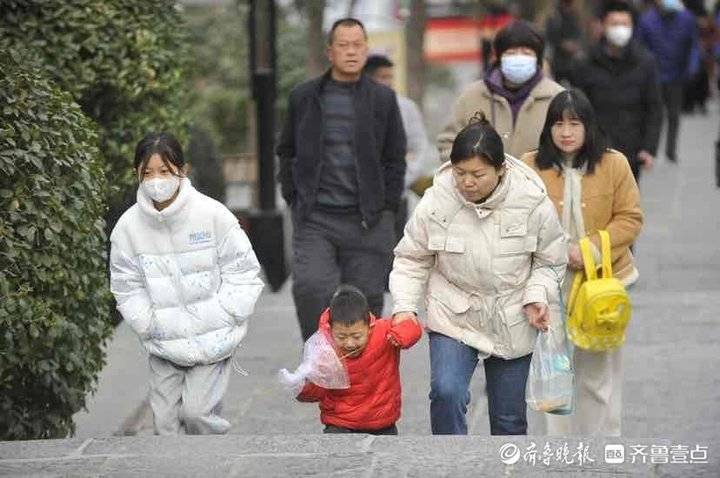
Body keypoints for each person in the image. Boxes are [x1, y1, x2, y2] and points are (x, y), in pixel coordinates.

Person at [390, 115, 567, 435]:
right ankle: (450, 465)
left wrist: (536, 295)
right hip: (453, 311)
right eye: (460, 173)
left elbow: (550, 261)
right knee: (447, 393)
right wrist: (405, 307)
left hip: (512, 314)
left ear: (500, 170)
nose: (467, 182)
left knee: (508, 418)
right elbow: (410, 259)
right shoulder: (436, 200)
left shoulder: (531, 201)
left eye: (478, 174)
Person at [110, 133, 264, 435]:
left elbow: (244, 270)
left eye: (164, 171)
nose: (157, 180)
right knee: (164, 424)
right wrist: (148, 323)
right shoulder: (127, 228)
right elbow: (125, 284)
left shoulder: (213, 214)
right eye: (148, 173)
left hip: (212, 338)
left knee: (197, 414)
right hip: (163, 341)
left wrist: (225, 313)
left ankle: (212, 461)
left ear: (183, 170)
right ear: (137, 175)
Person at [522, 89, 643, 436]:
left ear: (588, 126)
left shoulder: (614, 163)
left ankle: (600, 447)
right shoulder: (529, 166)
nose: (566, 131)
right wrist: (558, 252)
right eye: (558, 124)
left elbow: (630, 218)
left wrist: (589, 249)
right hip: (548, 281)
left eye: (574, 123)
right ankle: (560, 449)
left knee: (597, 371)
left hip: (602, 283)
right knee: (554, 368)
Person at [277, 18, 407, 341]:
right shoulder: (304, 97)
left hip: (367, 220)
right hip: (315, 218)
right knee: (310, 288)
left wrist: (386, 208)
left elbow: (395, 158)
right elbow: (286, 150)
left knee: (367, 301)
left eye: (358, 45)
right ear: (330, 52)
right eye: (343, 45)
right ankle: (319, 362)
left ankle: (364, 378)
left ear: (366, 49)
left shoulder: (382, 99)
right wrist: (292, 194)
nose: (351, 52)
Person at [295, 285, 422, 435]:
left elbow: (413, 327)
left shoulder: (384, 333)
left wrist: (401, 336)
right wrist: (306, 383)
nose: (349, 343)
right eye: (341, 337)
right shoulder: (324, 349)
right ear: (330, 329)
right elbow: (314, 394)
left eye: (356, 336)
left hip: (382, 420)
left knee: (385, 458)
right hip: (339, 423)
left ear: (369, 326)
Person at [437, 20, 564, 160]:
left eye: (526, 53)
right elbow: (448, 143)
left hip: (539, 181)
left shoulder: (557, 97)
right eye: (511, 52)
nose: (519, 58)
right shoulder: (472, 96)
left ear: (538, 59)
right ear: (498, 57)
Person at [570, 0, 662, 182]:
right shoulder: (585, 62)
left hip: (631, 151)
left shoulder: (645, 62)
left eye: (625, 24)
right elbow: (576, 107)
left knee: (626, 206)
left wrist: (649, 148)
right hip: (593, 150)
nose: (620, 29)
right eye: (614, 24)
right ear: (603, 26)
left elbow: (654, 107)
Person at [364, 54, 439, 222]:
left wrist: (403, 178)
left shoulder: (406, 107)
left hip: (398, 194)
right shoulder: (357, 107)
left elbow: (418, 148)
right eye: (382, 77)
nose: (388, 82)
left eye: (390, 76)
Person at [637, 0, 698, 162]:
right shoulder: (646, 20)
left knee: (674, 113)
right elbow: (639, 47)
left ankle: (671, 149)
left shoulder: (688, 19)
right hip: (653, 76)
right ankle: (650, 148)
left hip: (676, 75)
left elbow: (693, 45)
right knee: (653, 112)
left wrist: (692, 66)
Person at [545, 0, 586, 84]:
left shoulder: (576, 17)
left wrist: (576, 45)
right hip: (557, 61)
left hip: (573, 63)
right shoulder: (555, 17)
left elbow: (580, 35)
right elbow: (550, 36)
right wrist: (563, 44)